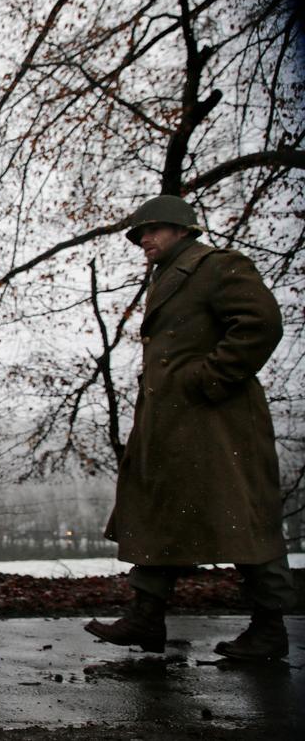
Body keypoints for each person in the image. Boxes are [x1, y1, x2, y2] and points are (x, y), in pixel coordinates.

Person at [85, 195, 293, 661]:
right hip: (172, 422)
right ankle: (147, 616)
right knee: (159, 512)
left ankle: (269, 627)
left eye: (153, 230)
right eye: (139, 234)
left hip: (219, 422)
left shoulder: (218, 266)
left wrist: (209, 378)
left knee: (243, 518)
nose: (144, 239)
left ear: (183, 229)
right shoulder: (167, 277)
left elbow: (261, 323)